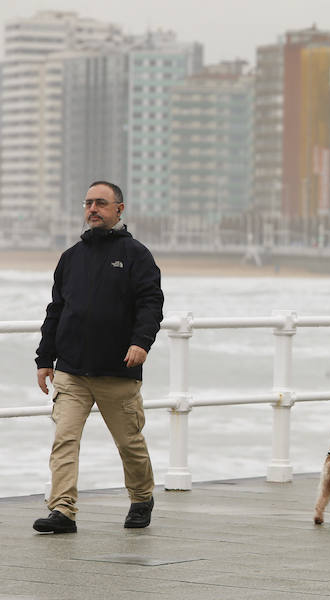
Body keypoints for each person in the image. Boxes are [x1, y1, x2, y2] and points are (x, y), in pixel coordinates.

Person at [33, 181, 164, 534]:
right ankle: (62, 510)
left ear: (119, 209)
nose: (93, 209)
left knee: (129, 443)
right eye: (88, 202)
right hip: (72, 371)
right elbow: (56, 309)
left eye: (101, 203)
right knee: (65, 439)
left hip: (118, 369)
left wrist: (141, 343)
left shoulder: (136, 254)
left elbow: (151, 304)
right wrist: (45, 358)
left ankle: (141, 497)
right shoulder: (71, 257)